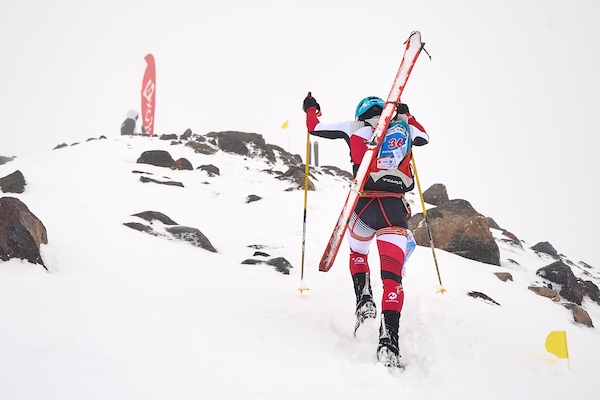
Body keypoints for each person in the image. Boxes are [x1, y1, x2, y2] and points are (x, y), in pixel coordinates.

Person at [303, 92, 429, 368]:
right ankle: (389, 342)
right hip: (393, 210)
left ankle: (364, 301)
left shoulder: (353, 127)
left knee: (358, 253)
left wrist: (311, 108)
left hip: (362, 206)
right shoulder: (403, 128)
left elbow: (314, 128)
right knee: (392, 279)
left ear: (361, 112)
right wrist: (407, 116)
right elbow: (424, 137)